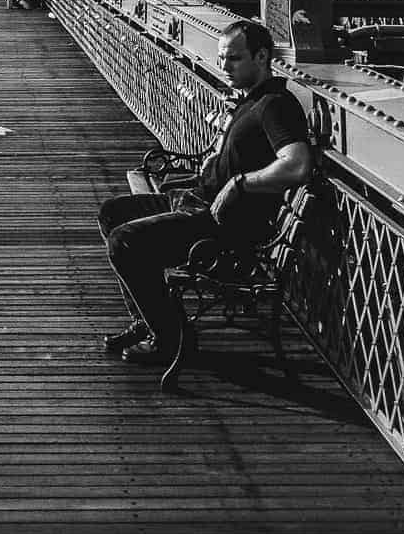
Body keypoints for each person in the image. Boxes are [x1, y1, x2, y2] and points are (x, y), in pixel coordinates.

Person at [97, 18, 312, 367]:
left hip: (221, 226)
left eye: (234, 59)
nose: (224, 66)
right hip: (198, 201)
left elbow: (298, 164)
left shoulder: (275, 105)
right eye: (222, 57)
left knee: (124, 241)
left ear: (262, 57)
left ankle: (170, 340)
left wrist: (242, 183)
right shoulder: (250, 100)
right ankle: (149, 320)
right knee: (112, 212)